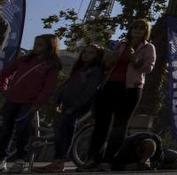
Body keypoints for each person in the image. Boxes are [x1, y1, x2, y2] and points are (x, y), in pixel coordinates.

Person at [85, 19, 156, 170]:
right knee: (101, 125)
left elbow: (148, 68)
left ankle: (108, 160)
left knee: (119, 125)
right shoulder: (121, 44)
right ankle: (92, 159)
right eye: (134, 27)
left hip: (130, 89)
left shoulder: (148, 48)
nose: (137, 30)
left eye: (141, 28)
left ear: (146, 32)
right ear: (130, 30)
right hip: (110, 86)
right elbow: (107, 64)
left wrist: (133, 59)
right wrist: (111, 57)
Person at [36, 44, 105, 173]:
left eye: (91, 53)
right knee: (59, 132)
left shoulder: (95, 71)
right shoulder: (79, 69)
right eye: (85, 52)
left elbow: (89, 92)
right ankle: (56, 161)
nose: (86, 54)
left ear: (98, 56)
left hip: (76, 107)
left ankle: (59, 162)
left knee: (65, 133)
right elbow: (67, 86)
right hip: (65, 105)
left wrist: (75, 107)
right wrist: (58, 99)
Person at [0, 34, 61, 172]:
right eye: (36, 43)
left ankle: (20, 160)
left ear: (49, 47)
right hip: (12, 99)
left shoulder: (52, 65)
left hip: (29, 102)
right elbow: (6, 72)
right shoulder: (25, 59)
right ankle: (1, 158)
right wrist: (4, 88)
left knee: (22, 130)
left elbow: (48, 88)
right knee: (5, 130)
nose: (36, 47)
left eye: (40, 44)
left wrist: (39, 102)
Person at [109, 132, 177, 171]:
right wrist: (128, 167)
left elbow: (160, 159)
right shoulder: (127, 145)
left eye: (148, 155)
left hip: (160, 153)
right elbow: (114, 165)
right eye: (142, 156)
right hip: (130, 160)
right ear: (138, 149)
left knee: (175, 155)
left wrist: (151, 165)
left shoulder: (157, 140)